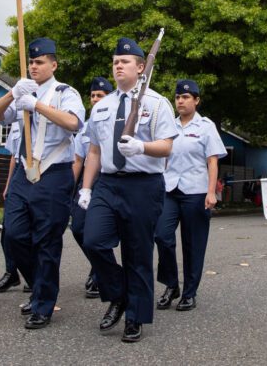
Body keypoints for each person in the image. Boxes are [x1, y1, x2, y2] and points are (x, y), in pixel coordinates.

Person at [80, 37, 178, 343]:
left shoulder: (156, 103)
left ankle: (135, 317)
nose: (118, 65)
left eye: (124, 61)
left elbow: (167, 147)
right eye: (114, 61)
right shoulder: (102, 107)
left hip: (143, 185)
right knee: (92, 239)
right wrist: (85, 188)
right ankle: (119, 294)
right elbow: (94, 151)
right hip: (108, 183)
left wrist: (142, 146)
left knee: (137, 253)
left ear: (140, 67)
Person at [0, 37, 84, 330]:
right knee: (14, 236)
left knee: (46, 242)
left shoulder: (64, 92)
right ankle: (37, 284)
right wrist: (12, 95)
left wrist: (37, 105)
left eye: (39, 62)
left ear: (53, 65)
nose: (34, 66)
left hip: (53, 174)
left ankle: (43, 303)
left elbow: (73, 123)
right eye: (31, 62)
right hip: (23, 174)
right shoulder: (21, 92)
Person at [154, 79, 227, 313]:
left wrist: (211, 192)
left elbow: (212, 161)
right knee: (162, 235)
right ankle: (171, 285)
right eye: (177, 97)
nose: (180, 101)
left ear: (196, 100)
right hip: (169, 189)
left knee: (193, 244)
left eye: (186, 97)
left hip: (196, 191)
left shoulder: (206, 126)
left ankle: (189, 293)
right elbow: (162, 158)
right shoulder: (168, 126)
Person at [70, 77, 113, 300]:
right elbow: (78, 159)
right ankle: (98, 265)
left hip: (107, 180)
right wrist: (70, 188)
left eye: (100, 95)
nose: (95, 99)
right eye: (93, 95)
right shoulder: (86, 127)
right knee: (77, 228)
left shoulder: (115, 121)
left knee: (97, 233)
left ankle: (99, 272)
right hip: (86, 182)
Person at [0, 115, 30, 295]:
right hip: (18, 177)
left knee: (33, 232)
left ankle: (34, 274)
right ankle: (11, 272)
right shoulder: (16, 121)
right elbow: (14, 157)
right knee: (9, 231)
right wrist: (8, 184)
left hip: (41, 172)